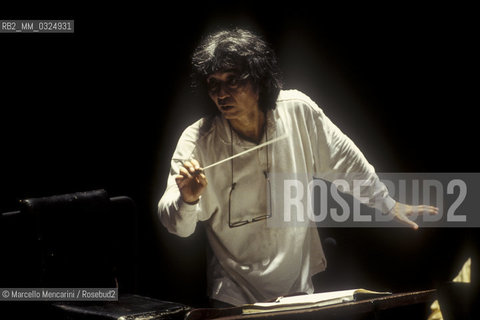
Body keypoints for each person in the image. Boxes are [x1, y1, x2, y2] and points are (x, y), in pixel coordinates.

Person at [158, 28, 438, 307]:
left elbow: (345, 161)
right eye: (213, 84)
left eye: (232, 80)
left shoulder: (297, 111)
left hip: (297, 287)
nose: (221, 93)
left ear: (259, 79)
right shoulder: (197, 141)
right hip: (233, 293)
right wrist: (188, 198)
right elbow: (174, 224)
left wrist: (388, 203)